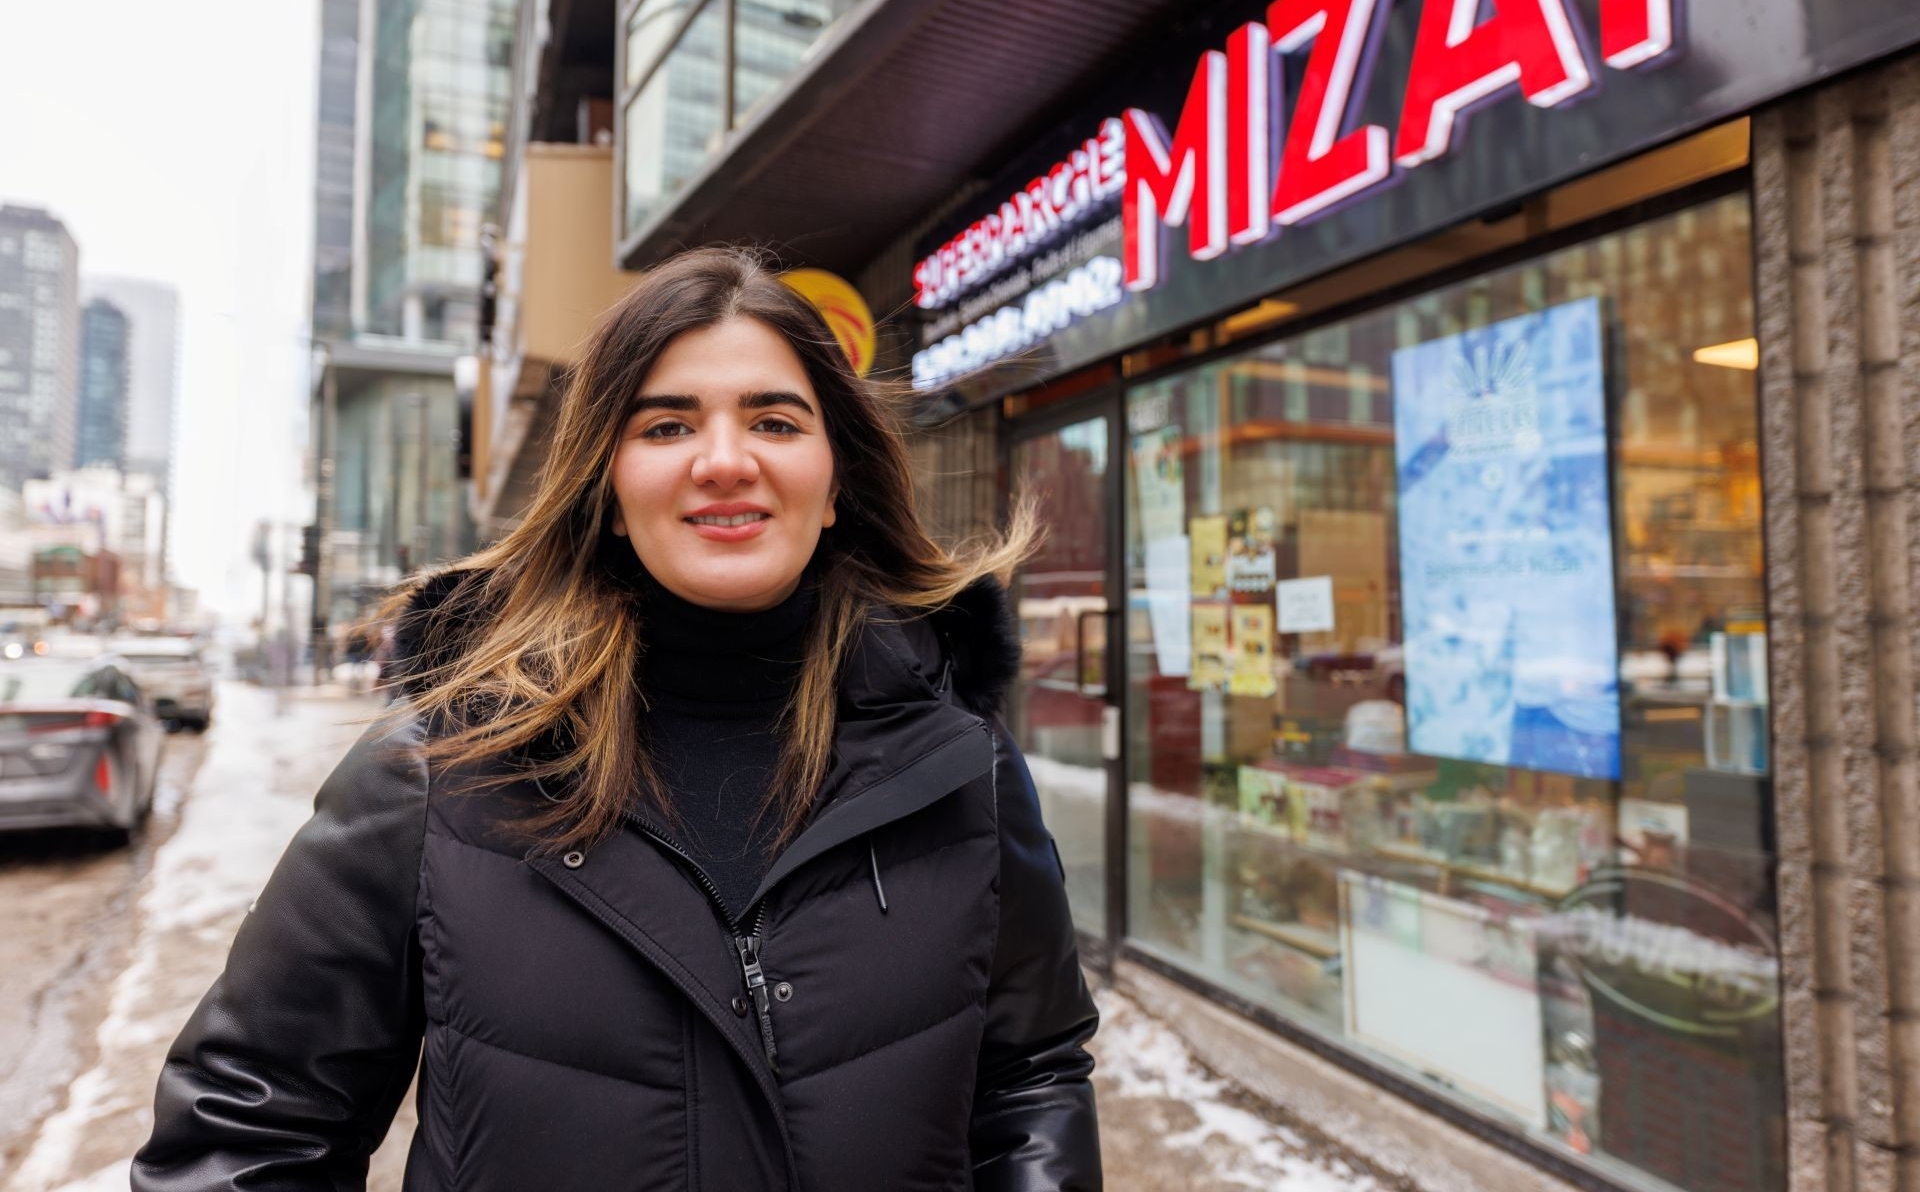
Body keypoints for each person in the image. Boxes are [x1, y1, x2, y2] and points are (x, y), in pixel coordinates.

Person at [131, 248, 1102, 1191]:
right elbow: (244, 1132)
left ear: (836, 477)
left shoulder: (959, 759)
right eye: (668, 426)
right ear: (608, 485)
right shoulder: (434, 776)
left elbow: (1031, 1075)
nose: (725, 461)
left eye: (773, 420)